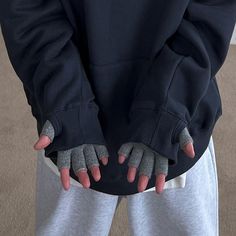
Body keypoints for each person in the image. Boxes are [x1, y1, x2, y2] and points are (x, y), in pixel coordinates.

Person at [1, 0, 235, 235]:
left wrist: (170, 105)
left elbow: (210, 10)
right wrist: (67, 100)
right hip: (70, 132)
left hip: (174, 129)